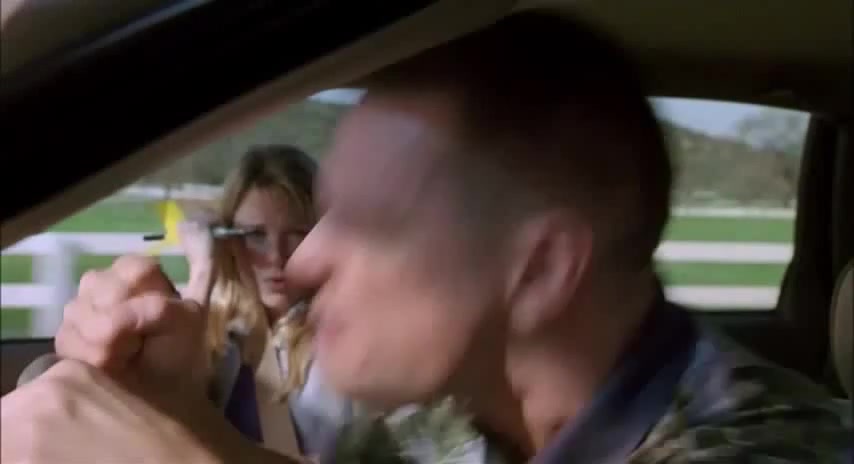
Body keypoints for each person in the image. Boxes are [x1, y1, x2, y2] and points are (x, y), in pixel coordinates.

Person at [2, 10, 851, 464]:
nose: (305, 260)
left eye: (372, 221)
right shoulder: (454, 410)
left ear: (540, 270)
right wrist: (175, 409)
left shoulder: (773, 448)